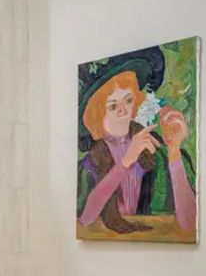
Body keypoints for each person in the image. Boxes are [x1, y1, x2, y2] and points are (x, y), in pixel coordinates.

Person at [78, 70, 196, 236]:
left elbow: (190, 224)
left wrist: (174, 149)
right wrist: (126, 161)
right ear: (97, 115)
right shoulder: (90, 164)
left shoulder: (156, 150)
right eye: (113, 106)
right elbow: (85, 219)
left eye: (128, 101)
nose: (123, 111)